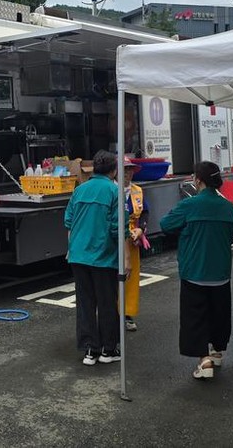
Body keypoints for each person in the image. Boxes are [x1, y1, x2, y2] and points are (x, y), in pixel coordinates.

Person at [160, 161, 233, 380]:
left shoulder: (190, 205)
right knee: (219, 314)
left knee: (196, 317)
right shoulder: (228, 207)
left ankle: (204, 361)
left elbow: (165, 224)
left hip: (194, 271)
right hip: (221, 272)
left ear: (198, 180)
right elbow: (232, 235)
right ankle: (217, 351)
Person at [64, 150, 122, 366]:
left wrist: (71, 248)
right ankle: (108, 349)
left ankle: (90, 350)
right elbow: (118, 228)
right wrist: (124, 257)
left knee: (85, 303)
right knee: (107, 302)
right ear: (113, 171)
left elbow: (69, 222)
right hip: (103, 256)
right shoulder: (114, 191)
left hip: (78, 255)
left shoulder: (79, 190)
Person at [121, 156, 148, 331]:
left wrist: (141, 229)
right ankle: (113, 314)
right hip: (114, 240)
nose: (128, 173)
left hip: (132, 240)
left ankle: (127, 313)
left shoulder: (137, 190)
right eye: (125, 169)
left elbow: (145, 212)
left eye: (130, 169)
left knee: (131, 278)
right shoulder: (111, 190)